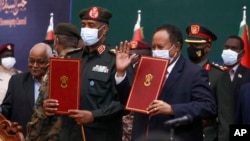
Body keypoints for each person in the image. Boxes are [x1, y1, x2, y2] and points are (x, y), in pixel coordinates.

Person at [28, 6, 134, 141]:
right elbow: (60, 95)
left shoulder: (115, 60)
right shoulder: (70, 58)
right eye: (83, 25)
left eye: (91, 25)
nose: (86, 29)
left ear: (104, 29)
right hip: (69, 134)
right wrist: (48, 106)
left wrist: (93, 115)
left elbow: (124, 104)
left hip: (102, 135)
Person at [131, 24, 216, 141]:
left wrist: (172, 109)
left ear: (176, 47)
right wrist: (120, 73)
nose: (156, 51)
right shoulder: (147, 68)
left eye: (160, 47)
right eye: (153, 47)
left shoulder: (193, 73)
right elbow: (129, 101)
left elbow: (208, 107)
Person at [26, 22, 83, 141]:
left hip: (54, 134)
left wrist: (31, 137)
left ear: (56, 40)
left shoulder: (58, 66)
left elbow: (41, 107)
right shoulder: (85, 64)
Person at [0, 42, 53, 136]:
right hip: (23, 136)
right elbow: (6, 110)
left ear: (50, 62)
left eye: (40, 62)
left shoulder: (58, 82)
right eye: (31, 61)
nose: (34, 65)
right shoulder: (16, 81)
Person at [184, 24, 224, 141]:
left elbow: (225, 117)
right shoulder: (179, 72)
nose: (192, 48)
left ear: (208, 47)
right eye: (190, 44)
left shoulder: (219, 75)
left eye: (197, 44)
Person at [214, 35, 250, 141]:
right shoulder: (216, 74)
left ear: (242, 53)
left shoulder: (248, 76)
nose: (229, 51)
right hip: (218, 134)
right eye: (226, 47)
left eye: (234, 48)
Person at [122, 40, 151, 141]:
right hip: (122, 126)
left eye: (138, 56)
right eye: (130, 55)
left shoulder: (155, 71)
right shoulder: (121, 70)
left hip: (145, 126)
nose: (134, 59)